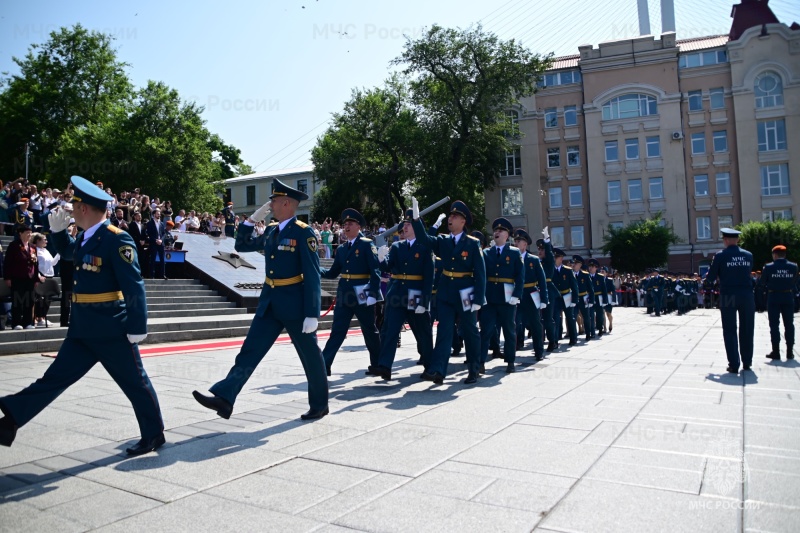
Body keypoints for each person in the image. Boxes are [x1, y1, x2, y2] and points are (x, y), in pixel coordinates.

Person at [0, 176, 164, 455]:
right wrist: (58, 232)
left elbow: (133, 283)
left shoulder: (116, 238)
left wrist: (137, 324)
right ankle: (12, 419)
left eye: (74, 206)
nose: (70, 211)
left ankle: (153, 434)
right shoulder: (86, 238)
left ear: (85, 209)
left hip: (112, 328)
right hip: (82, 328)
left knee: (135, 384)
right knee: (54, 378)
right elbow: (68, 252)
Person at [192, 179, 328, 421]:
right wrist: (250, 221)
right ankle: (225, 398)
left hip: (295, 305)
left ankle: (319, 404)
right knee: (249, 351)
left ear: (287, 203)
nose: (270, 205)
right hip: (270, 302)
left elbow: (312, 273)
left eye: (274, 201)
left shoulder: (303, 232)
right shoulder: (273, 230)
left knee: (309, 355)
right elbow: (241, 245)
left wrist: (312, 313)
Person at [411, 199, 486, 384]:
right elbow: (424, 239)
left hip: (466, 293)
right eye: (450, 216)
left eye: (454, 216)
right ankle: (438, 370)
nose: (450, 219)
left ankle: (474, 368)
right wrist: (416, 219)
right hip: (445, 292)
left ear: (463, 222)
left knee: (470, 331)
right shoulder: (443, 240)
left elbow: (480, 273)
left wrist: (479, 297)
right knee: (444, 332)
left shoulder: (472, 244)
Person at [372, 209, 434, 380]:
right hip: (397, 293)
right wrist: (381, 259)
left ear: (417, 226)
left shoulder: (424, 246)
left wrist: (425, 301)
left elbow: (429, 277)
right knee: (389, 331)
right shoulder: (398, 246)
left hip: (416, 295)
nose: (404, 227)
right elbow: (388, 268)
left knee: (423, 332)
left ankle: (430, 366)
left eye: (408, 224)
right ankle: (385, 366)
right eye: (404, 224)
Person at [321, 208, 383, 375]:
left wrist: (373, 293)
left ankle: (378, 364)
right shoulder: (341, 249)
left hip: (363, 293)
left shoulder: (366, 245)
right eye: (345, 224)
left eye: (350, 223)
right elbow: (333, 272)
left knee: (369, 330)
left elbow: (375, 271)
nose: (346, 226)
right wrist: (316, 269)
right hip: (345, 295)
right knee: (338, 331)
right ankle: (324, 364)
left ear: (358, 226)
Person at [704, 228, 755, 373]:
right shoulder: (748, 255)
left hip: (728, 296)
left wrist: (708, 280)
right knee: (747, 328)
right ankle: (747, 362)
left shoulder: (720, 256)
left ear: (725, 240)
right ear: (737, 240)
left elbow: (711, 278)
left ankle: (734, 363)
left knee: (730, 329)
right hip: (746, 295)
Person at [480, 218, 523, 373]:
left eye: (501, 231)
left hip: (507, 298)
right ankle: (480, 362)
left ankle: (510, 361)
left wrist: (516, 295)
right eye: (495, 230)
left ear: (508, 235)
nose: (497, 232)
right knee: (485, 331)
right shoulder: (486, 253)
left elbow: (520, 276)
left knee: (509, 331)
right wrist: (481, 295)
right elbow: (481, 276)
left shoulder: (514, 252)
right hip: (490, 297)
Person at [513, 229, 548, 360]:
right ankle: (512, 351)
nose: (516, 243)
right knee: (514, 324)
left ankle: (539, 351)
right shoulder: (511, 258)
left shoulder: (533, 260)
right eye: (515, 241)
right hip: (516, 294)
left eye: (518, 241)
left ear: (525, 244)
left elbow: (542, 281)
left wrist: (544, 299)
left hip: (531, 294)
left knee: (535, 324)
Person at [761, 245, 798, 361]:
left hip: (774, 297)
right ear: (784, 255)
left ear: (775, 255)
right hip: (788, 296)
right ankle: (790, 352)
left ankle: (776, 352)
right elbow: (794, 282)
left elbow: (762, 282)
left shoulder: (768, 267)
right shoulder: (793, 267)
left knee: (774, 325)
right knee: (789, 325)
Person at [3, 225, 40, 330]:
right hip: (17, 277)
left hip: (30, 278)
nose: (29, 235)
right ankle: (16, 323)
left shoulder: (32, 247)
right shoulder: (14, 245)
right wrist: (7, 278)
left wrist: (36, 278)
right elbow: (8, 263)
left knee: (29, 300)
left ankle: (28, 322)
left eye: (30, 233)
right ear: (20, 233)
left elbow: (36, 264)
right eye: (27, 232)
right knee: (18, 301)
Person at [32, 232, 59, 327]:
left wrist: (60, 253)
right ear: (38, 241)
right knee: (39, 298)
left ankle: (43, 316)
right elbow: (34, 265)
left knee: (48, 298)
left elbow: (53, 263)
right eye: (44, 239)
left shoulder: (46, 250)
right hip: (41, 276)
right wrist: (38, 275)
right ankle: (38, 317)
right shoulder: (35, 250)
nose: (46, 241)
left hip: (49, 275)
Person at [552, 248, 579, 346]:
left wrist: (574, 300)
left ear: (561, 258)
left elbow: (574, 286)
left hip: (567, 296)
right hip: (556, 297)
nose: (554, 259)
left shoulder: (567, 270)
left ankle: (573, 338)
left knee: (570, 318)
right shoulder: (550, 269)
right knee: (555, 318)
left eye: (556, 257)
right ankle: (555, 339)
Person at [571, 255, 595, 341]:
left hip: (583, 298)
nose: (574, 265)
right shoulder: (570, 273)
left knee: (586, 317)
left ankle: (588, 334)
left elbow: (591, 289)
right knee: (572, 317)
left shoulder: (585, 275)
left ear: (580, 265)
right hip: (574, 298)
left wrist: (591, 300)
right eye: (573, 263)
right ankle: (573, 336)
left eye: (576, 263)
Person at [588, 259, 608, 336]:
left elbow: (604, 289)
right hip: (590, 297)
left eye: (592, 266)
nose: (590, 268)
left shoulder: (600, 277)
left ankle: (600, 328)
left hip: (598, 297)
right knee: (591, 315)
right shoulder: (587, 276)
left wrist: (605, 300)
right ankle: (592, 331)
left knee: (599, 314)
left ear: (596, 268)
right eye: (589, 266)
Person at [147, 208, 168, 280]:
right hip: (153, 243)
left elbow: (164, 234)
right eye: (157, 214)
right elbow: (149, 234)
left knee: (162, 259)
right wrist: (155, 240)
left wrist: (161, 240)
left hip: (161, 244)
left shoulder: (162, 223)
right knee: (152, 259)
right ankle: (152, 275)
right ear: (154, 214)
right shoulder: (150, 223)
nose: (159, 215)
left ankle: (162, 274)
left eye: (159, 214)